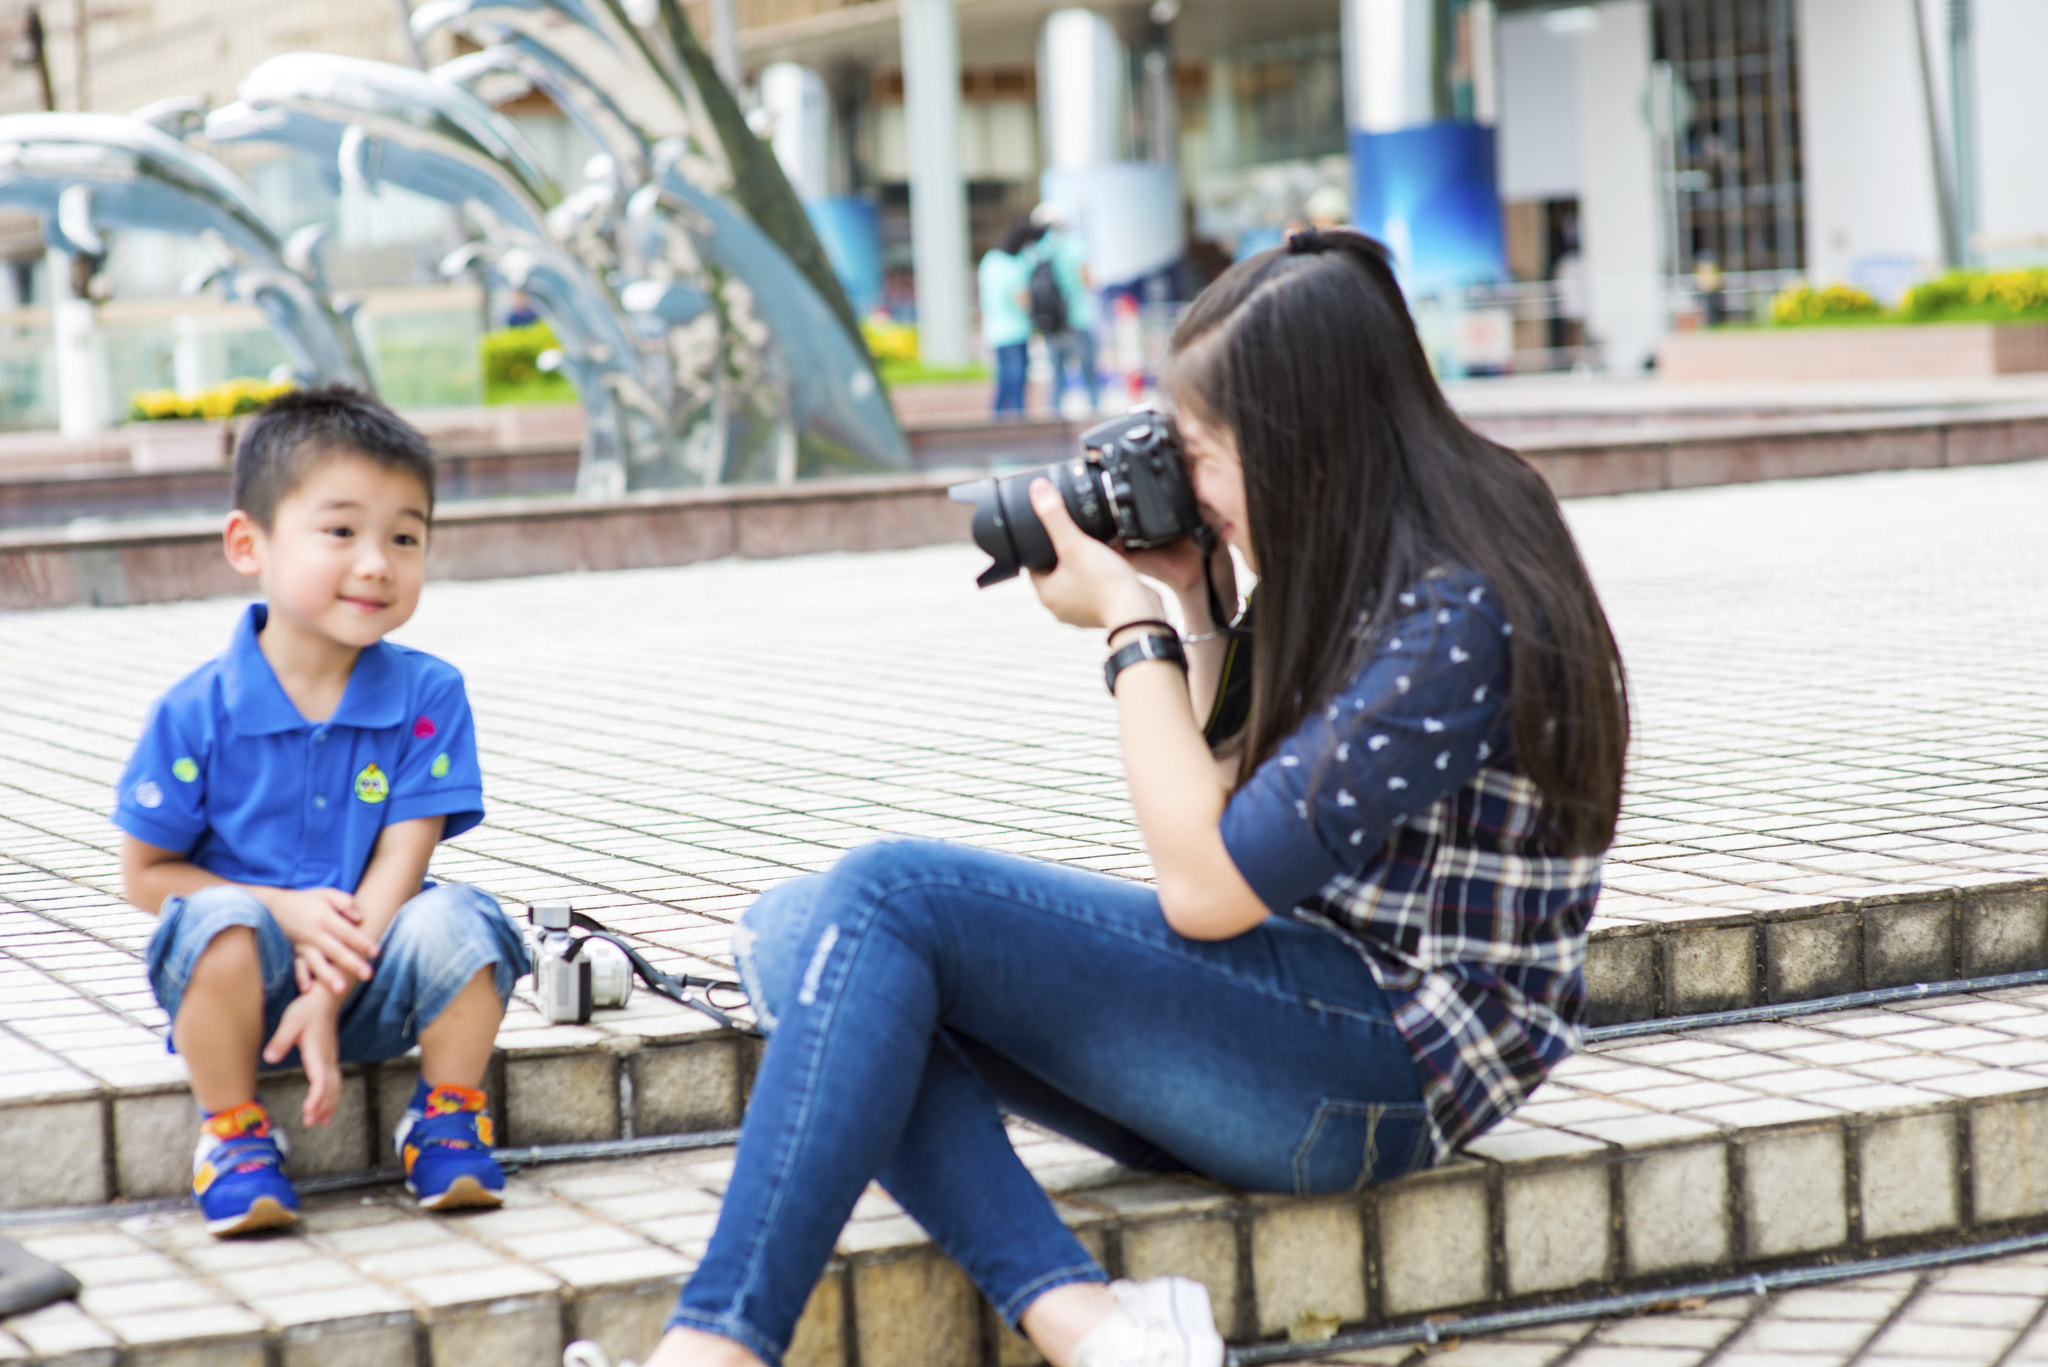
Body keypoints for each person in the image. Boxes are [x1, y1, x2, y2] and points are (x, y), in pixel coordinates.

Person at [636, 229, 1629, 1367]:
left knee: (883, 897)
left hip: (1379, 1073)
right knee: (794, 930)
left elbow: (1201, 884)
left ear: (1302, 444)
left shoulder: (1454, 612)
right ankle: (1094, 1326)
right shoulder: (1391, 542)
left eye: (1200, 452)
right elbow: (1226, 799)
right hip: (1303, 1027)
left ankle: (713, 1349)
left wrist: (1128, 625)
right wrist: (1191, 599)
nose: (1186, 484)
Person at [113, 386, 529, 1237]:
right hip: (244, 996)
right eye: (340, 531)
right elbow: (146, 876)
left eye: (405, 536)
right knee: (218, 915)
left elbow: (400, 864)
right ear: (247, 543)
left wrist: (332, 981)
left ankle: (448, 1115)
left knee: (463, 915)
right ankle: (233, 1134)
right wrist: (289, 913)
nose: (377, 562)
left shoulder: (427, 693)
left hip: (373, 970)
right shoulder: (196, 712)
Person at [1029, 204, 1102, 416]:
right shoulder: (1075, 245)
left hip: (1051, 321)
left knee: (1057, 374)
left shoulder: (1038, 249)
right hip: (1079, 317)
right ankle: (1095, 415)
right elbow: (1087, 280)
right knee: (1088, 371)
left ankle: (1055, 418)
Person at [979, 218, 1041, 419]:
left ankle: (996, 422)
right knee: (1016, 385)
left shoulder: (990, 261)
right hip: (1015, 332)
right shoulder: (1012, 266)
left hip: (995, 331)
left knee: (1004, 382)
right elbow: (1022, 299)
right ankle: (1018, 426)